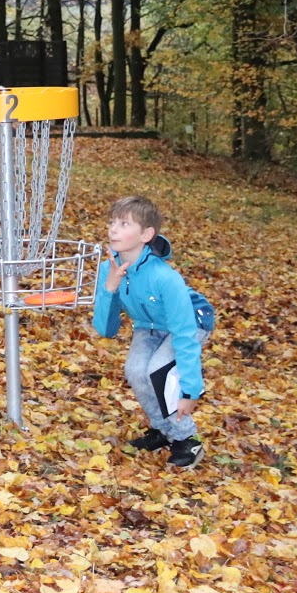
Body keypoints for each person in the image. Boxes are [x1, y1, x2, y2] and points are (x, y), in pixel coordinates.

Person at [91, 195, 216, 469]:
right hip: (148, 328)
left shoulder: (165, 277)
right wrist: (109, 288)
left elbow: (184, 334)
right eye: (113, 222)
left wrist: (190, 391)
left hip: (190, 323)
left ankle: (187, 440)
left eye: (124, 224)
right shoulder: (108, 269)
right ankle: (163, 430)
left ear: (146, 234)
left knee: (158, 371)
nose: (113, 229)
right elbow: (105, 329)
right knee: (135, 371)